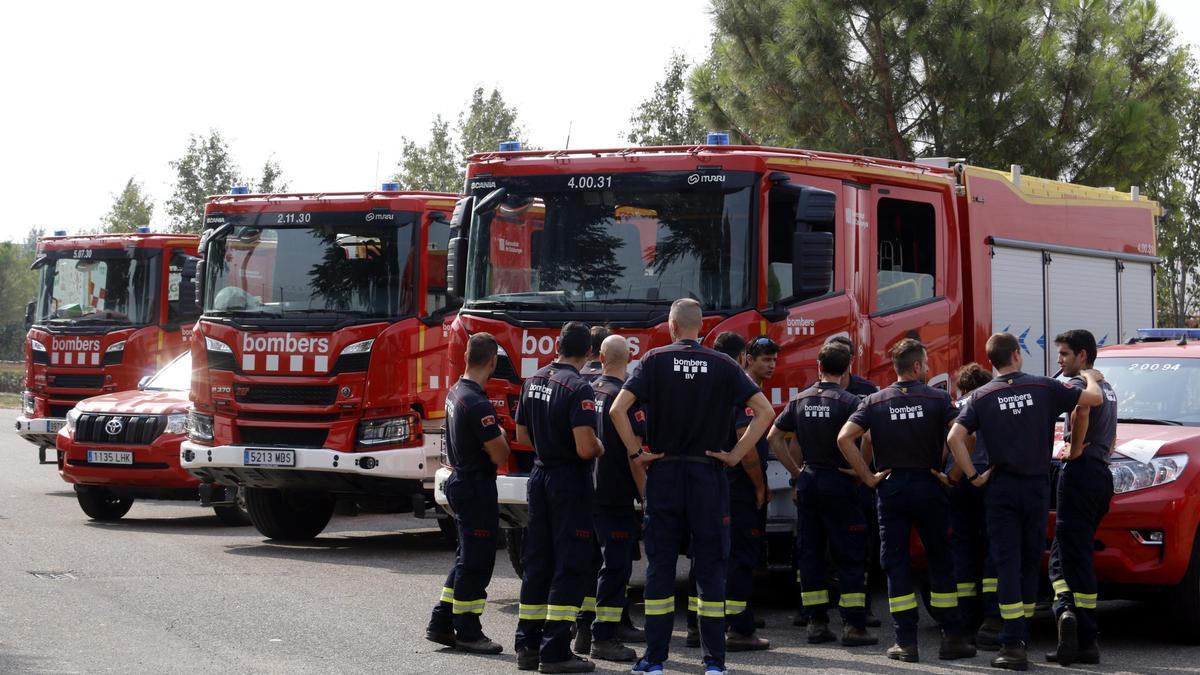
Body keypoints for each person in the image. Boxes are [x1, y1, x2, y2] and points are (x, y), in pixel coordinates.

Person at [609, 299, 775, 675]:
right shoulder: (724, 364)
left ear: (671, 326)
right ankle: (714, 662)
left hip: (665, 472)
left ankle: (654, 659)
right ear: (701, 327)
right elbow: (765, 412)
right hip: (709, 475)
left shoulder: (653, 361)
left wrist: (637, 454)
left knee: (661, 567)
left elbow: (617, 410)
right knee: (712, 567)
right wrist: (734, 455)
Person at [948, 332, 1105, 671]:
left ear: (992, 361)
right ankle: (1024, 636)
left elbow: (955, 438)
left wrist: (973, 476)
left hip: (1000, 487)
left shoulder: (981, 395)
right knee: (1030, 562)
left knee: (1005, 563)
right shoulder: (1043, 387)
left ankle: (1012, 644)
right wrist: (1090, 375)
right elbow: (1092, 400)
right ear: (1017, 355)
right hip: (1035, 487)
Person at [837, 338, 976, 663]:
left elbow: (845, 438)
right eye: (926, 364)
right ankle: (952, 637)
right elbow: (966, 435)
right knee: (940, 559)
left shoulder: (874, 401)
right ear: (916, 367)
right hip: (930, 486)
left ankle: (906, 642)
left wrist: (868, 477)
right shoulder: (939, 399)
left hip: (892, 488)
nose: (927, 369)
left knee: (895, 563)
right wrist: (952, 474)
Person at [769, 341, 877, 648]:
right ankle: (854, 626)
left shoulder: (799, 400)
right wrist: (862, 471)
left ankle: (816, 623)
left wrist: (796, 472)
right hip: (841, 483)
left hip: (810, 480)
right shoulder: (851, 401)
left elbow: (775, 438)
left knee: (811, 554)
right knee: (850, 554)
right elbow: (867, 438)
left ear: (819, 366)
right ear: (847, 370)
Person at [514, 322, 606, 674]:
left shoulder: (533, 380)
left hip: (539, 476)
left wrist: (548, 446)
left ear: (557, 345)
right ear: (589, 354)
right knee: (570, 564)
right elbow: (586, 448)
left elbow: (522, 433)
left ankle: (528, 645)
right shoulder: (579, 388)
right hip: (568, 482)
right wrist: (600, 446)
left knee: (537, 562)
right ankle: (555, 652)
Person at [425, 333, 511, 655]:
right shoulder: (477, 403)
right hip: (475, 486)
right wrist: (500, 431)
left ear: (465, 357)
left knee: (465, 557)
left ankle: (441, 622)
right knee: (476, 562)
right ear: (492, 362)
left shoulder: (456, 392)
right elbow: (500, 455)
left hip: (462, 480)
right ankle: (468, 631)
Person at [1047, 330, 1118, 666]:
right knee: (1068, 552)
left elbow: (1081, 413)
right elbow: (1111, 434)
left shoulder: (1079, 386)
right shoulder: (1108, 387)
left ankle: (1079, 629)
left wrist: (1073, 451)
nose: (1059, 360)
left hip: (1079, 475)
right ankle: (1070, 620)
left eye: (1064, 354)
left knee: (1070, 558)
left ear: (1083, 356)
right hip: (1101, 473)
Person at [581, 335, 643, 663]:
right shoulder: (627, 399)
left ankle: (584, 630)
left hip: (587, 490)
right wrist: (647, 496)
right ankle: (604, 637)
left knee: (592, 563)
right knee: (616, 567)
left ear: (601, 357)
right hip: (616, 493)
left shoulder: (586, 391)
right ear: (629, 357)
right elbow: (636, 455)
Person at [824, 334, 882, 630]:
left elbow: (872, 435)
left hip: (856, 483)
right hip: (832, 479)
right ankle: (816, 612)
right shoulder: (819, 393)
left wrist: (860, 472)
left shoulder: (867, 391)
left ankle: (863, 607)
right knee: (824, 548)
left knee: (862, 548)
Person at [724, 335, 776, 651]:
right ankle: (739, 628)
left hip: (731, 485)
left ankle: (736, 619)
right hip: (740, 486)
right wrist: (760, 486)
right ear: (747, 358)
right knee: (741, 557)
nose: (770, 365)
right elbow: (747, 451)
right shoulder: (745, 393)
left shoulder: (745, 389)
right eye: (764, 360)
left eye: (773, 360)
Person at [946, 363, 1002, 649]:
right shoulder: (990, 400)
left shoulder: (955, 405)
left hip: (958, 485)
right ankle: (992, 620)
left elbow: (947, 444)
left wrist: (952, 476)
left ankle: (965, 621)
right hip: (984, 479)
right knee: (994, 548)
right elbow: (972, 438)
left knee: (962, 549)